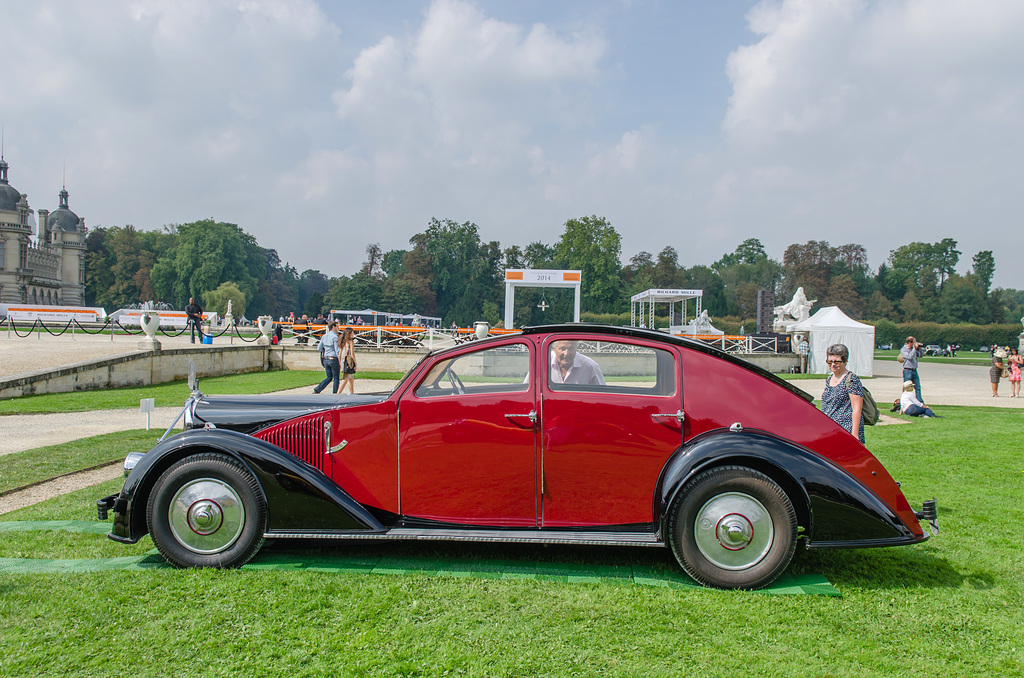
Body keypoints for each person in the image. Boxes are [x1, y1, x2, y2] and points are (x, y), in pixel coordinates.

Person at [821, 343, 865, 443]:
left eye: (837, 362)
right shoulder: (829, 378)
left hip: (846, 430)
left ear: (845, 361)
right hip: (830, 430)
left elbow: (857, 408)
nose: (832, 365)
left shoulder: (852, 379)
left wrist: (855, 434)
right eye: (829, 361)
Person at [313, 322, 341, 394]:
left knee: (329, 377)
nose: (338, 328)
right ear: (333, 327)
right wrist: (340, 360)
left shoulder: (324, 336)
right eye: (337, 326)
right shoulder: (335, 337)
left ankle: (318, 389)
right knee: (336, 377)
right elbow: (337, 350)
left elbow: (319, 348)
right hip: (333, 358)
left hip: (326, 358)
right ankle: (334, 393)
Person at [899, 336, 924, 403]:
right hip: (907, 370)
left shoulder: (914, 349)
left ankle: (920, 402)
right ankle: (904, 402)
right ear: (910, 342)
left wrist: (919, 349)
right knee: (906, 387)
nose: (915, 343)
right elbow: (909, 357)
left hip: (914, 370)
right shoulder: (904, 349)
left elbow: (920, 356)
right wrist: (914, 349)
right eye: (914, 342)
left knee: (917, 387)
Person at [339, 327, 357, 394]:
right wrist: (355, 363)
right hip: (348, 362)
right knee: (345, 379)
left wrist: (339, 362)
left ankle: (352, 393)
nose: (353, 334)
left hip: (343, 361)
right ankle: (338, 393)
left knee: (351, 379)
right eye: (352, 332)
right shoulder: (350, 342)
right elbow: (352, 354)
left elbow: (339, 354)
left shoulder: (342, 341)